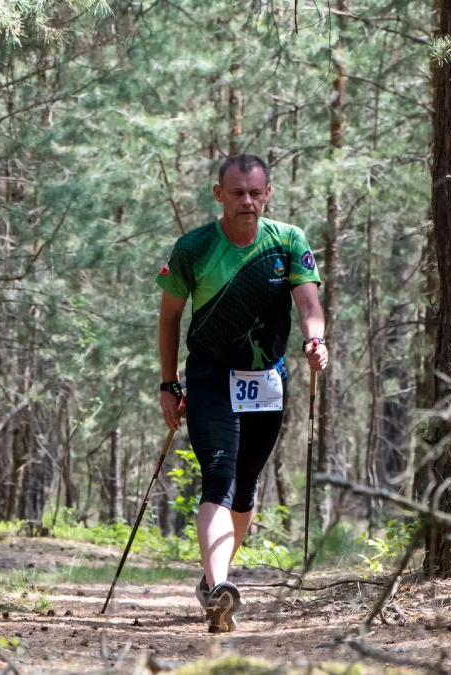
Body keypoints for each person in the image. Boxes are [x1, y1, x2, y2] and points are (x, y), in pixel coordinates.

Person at [156, 154, 328, 633]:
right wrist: (169, 383)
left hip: (265, 379)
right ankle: (219, 589)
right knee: (218, 475)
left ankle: (217, 581)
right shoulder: (194, 248)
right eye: (237, 193)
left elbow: (310, 302)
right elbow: (169, 317)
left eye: (255, 192)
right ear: (219, 195)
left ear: (267, 194)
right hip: (210, 375)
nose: (247, 201)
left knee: (246, 486)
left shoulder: (288, 241)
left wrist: (316, 339)